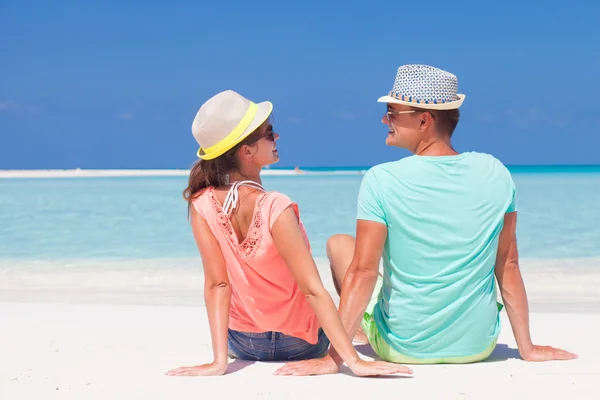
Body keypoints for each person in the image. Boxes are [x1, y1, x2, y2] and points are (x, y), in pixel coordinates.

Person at [275, 64, 578, 376]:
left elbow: (363, 272)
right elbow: (508, 264)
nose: (384, 120)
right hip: (476, 346)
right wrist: (526, 348)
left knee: (339, 246)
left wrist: (333, 359)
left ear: (423, 120)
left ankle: (359, 334)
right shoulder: (496, 172)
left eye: (392, 112)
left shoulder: (382, 179)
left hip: (403, 347)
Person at [165, 90, 412, 377]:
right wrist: (353, 361)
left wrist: (219, 362)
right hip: (302, 345)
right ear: (246, 151)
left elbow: (217, 285)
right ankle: (356, 336)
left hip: (244, 343)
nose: (277, 137)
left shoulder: (201, 203)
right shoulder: (275, 206)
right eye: (269, 133)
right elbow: (312, 290)